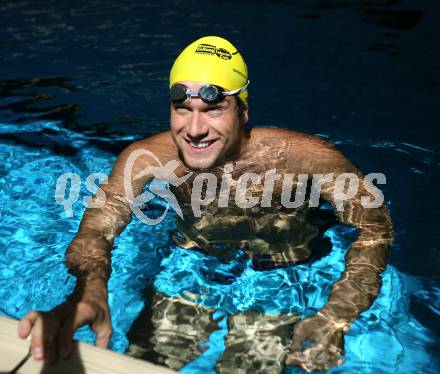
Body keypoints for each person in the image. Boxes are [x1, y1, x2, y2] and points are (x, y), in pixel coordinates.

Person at [17, 36, 394, 372]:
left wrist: (338, 315)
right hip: (193, 267)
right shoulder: (146, 157)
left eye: (213, 109)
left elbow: (374, 228)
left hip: (279, 274)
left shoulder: (308, 158)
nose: (194, 129)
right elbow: (98, 228)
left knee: (249, 363)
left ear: (243, 112)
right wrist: (91, 289)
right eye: (182, 108)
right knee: (144, 362)